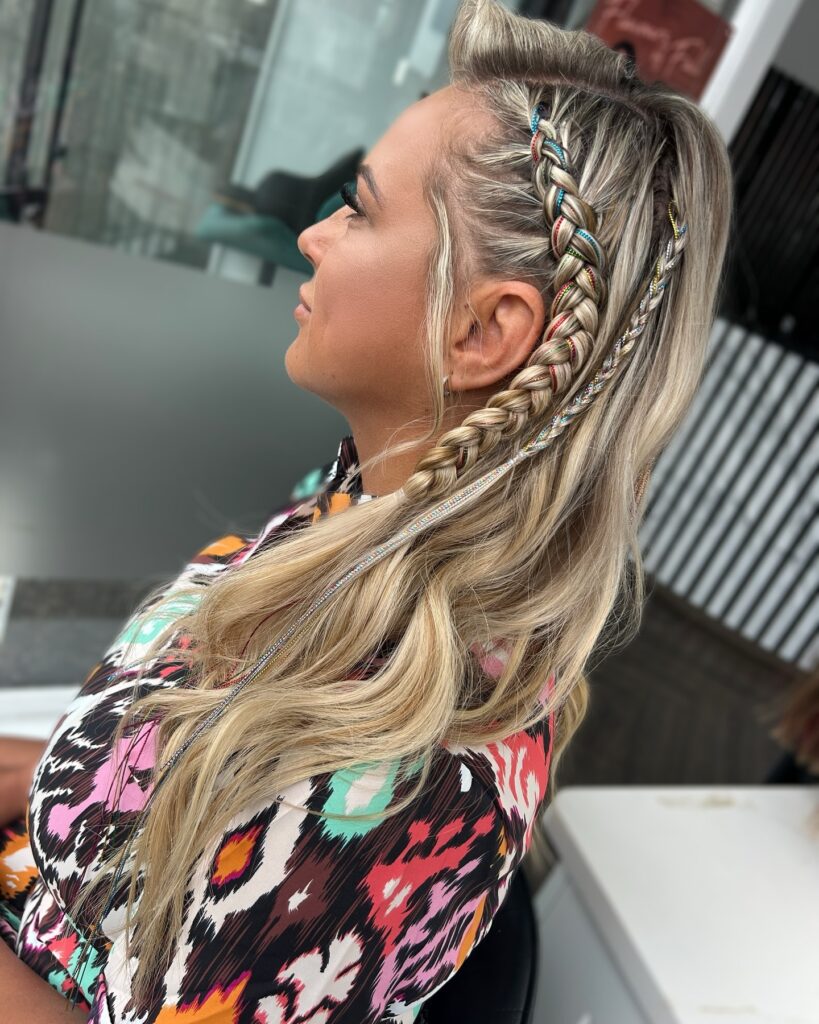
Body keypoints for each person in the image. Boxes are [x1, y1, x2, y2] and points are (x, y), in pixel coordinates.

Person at [0, 0, 732, 1019]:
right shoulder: (367, 500)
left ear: (484, 330)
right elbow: (175, 760)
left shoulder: (397, 774)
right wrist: (42, 770)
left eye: (357, 207)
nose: (309, 233)